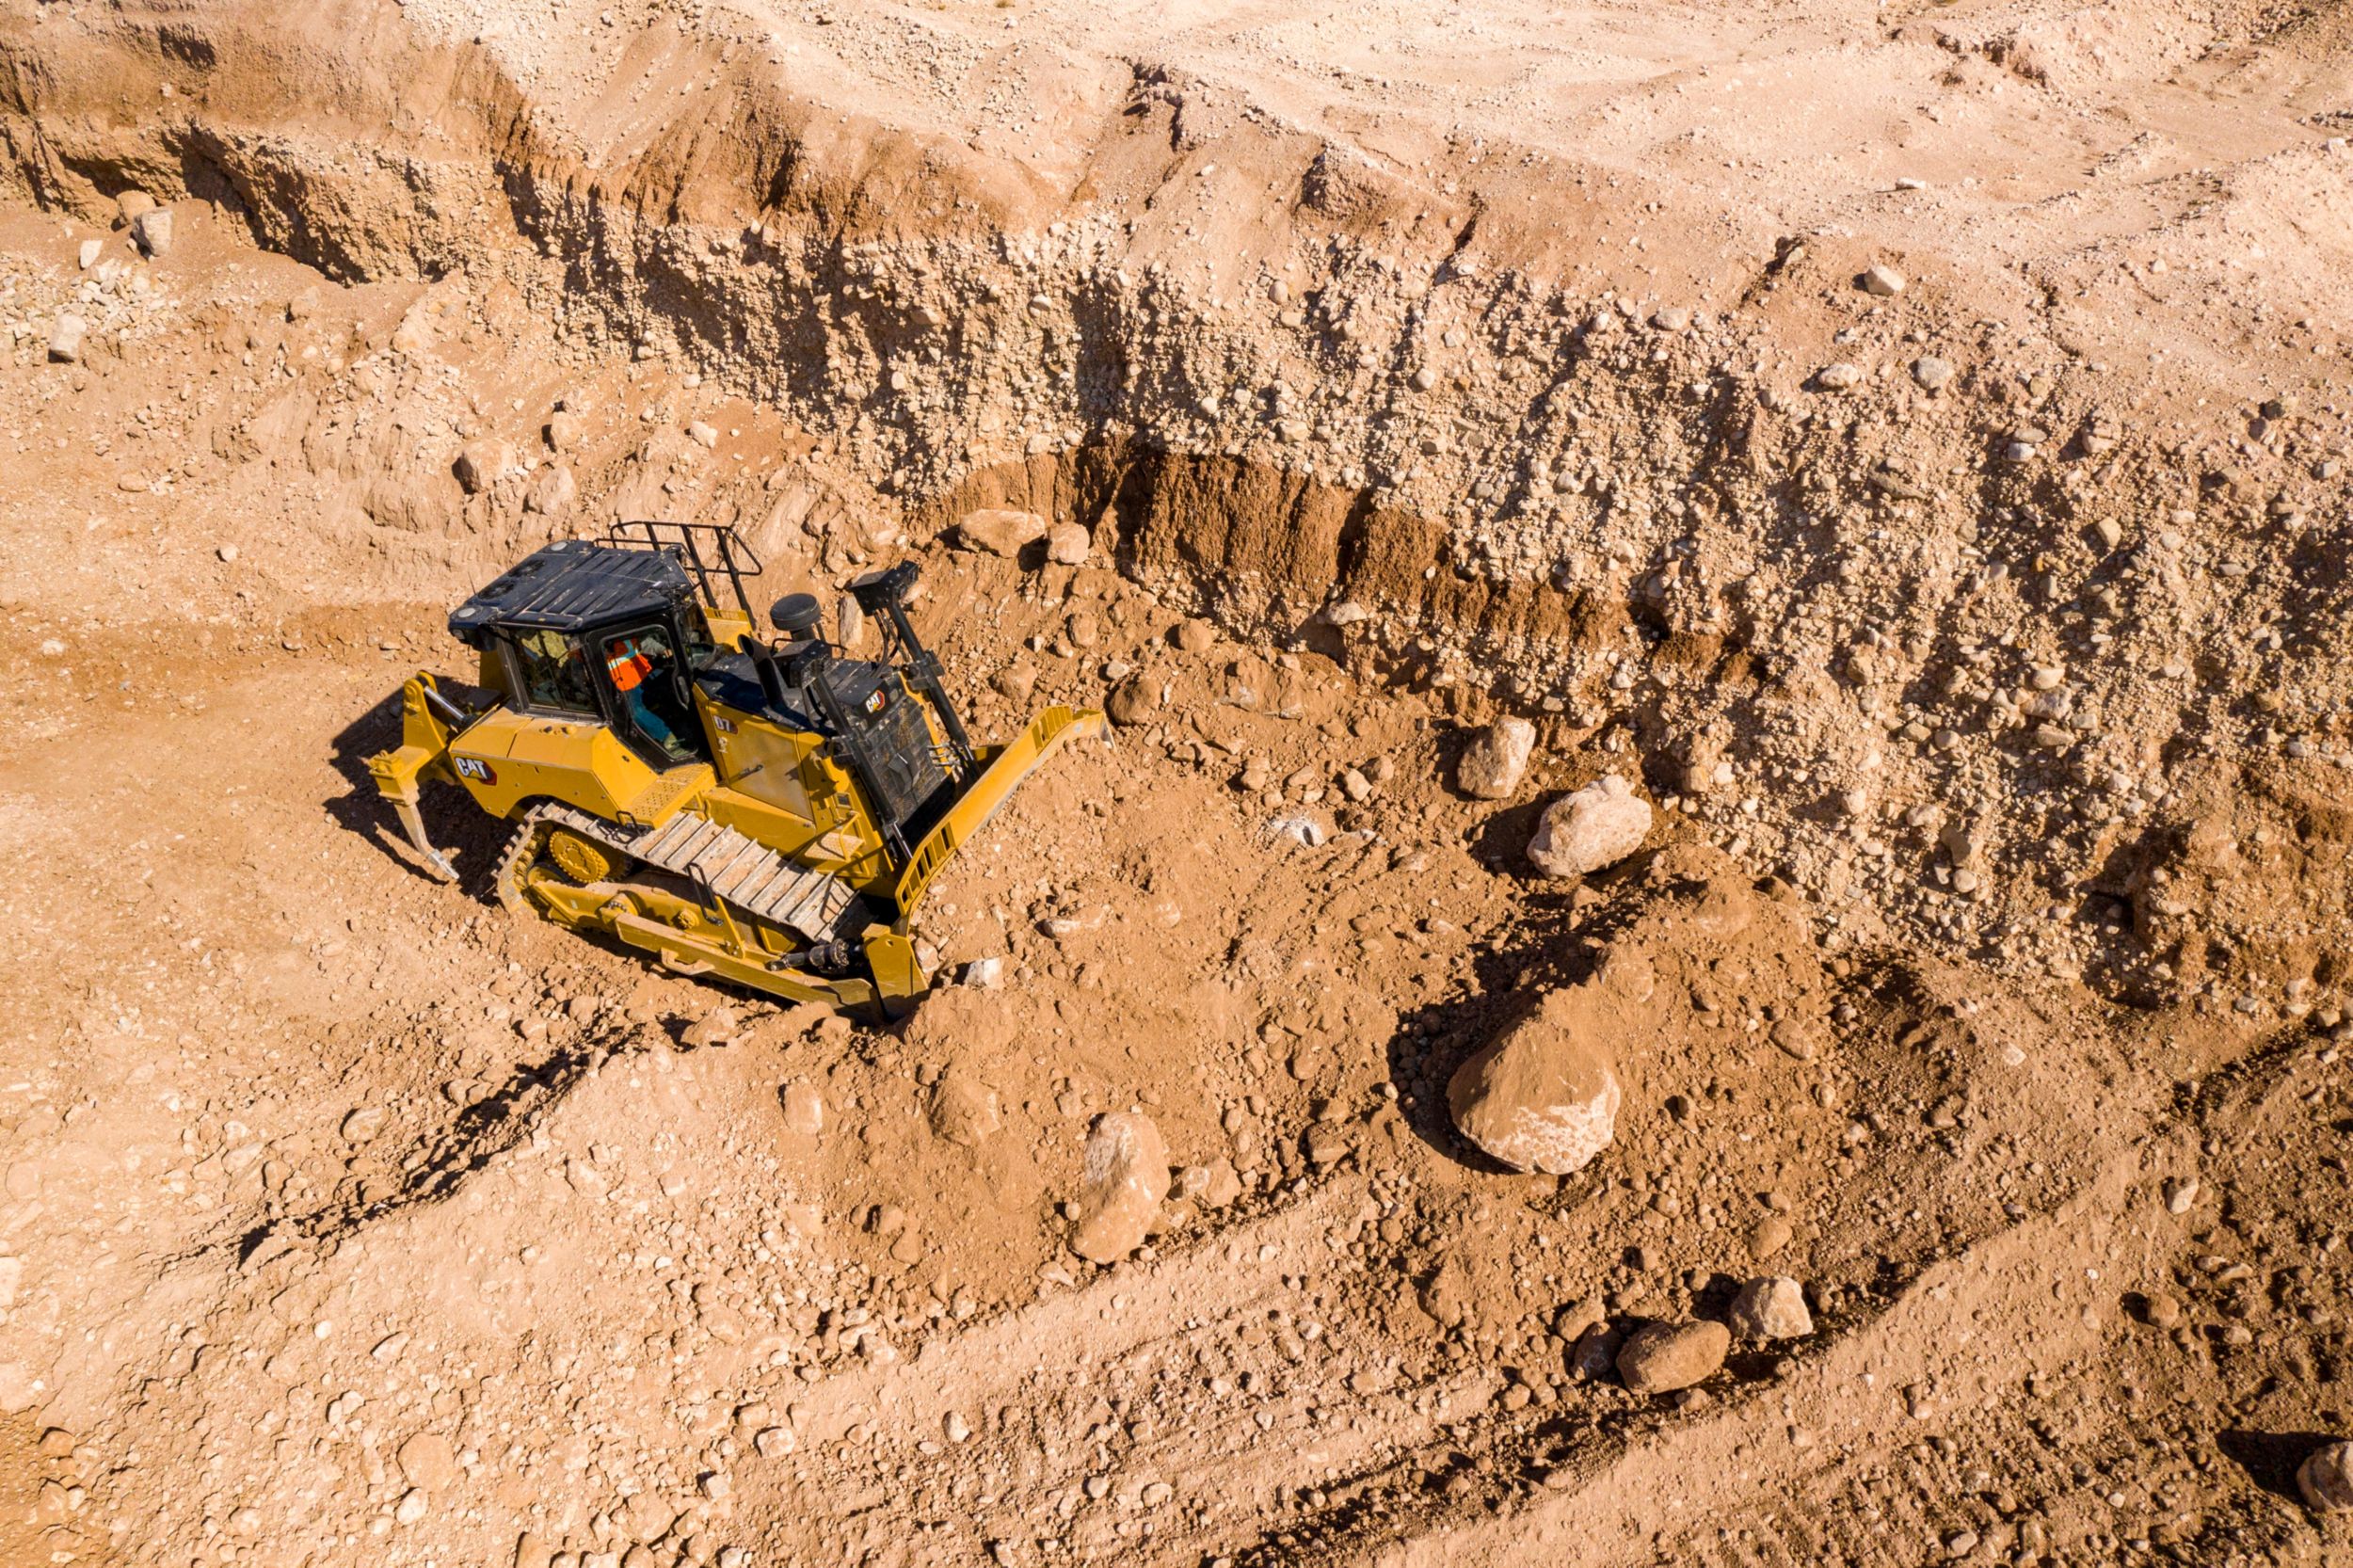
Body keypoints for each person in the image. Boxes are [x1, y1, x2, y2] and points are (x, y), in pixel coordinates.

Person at [604, 631, 684, 755]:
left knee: (639, 710)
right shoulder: (598, 641)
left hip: (640, 676)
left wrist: (662, 650)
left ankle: (674, 733)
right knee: (636, 712)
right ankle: (667, 736)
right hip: (624, 684)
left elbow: (644, 642)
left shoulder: (623, 630)